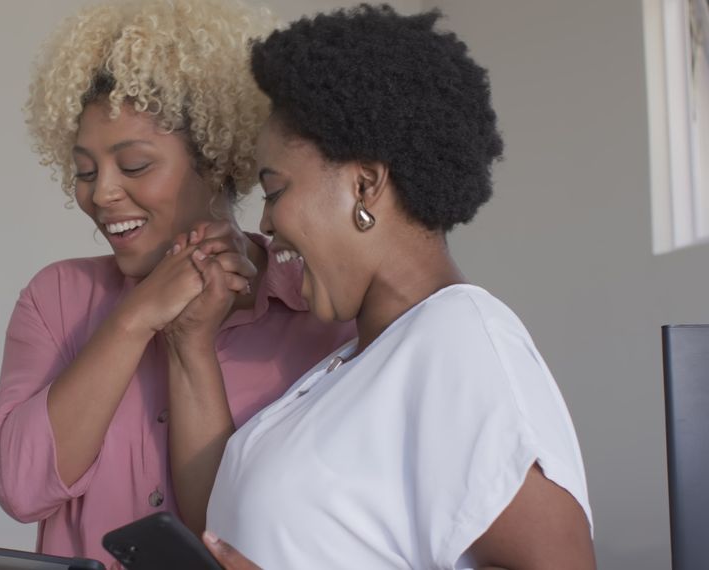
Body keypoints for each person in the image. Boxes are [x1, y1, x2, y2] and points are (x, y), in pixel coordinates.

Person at [199, 5, 596, 569]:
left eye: (275, 189)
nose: (264, 224)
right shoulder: (356, 362)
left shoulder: (460, 340)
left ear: (365, 185)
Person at [0, 0, 356, 566]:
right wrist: (134, 318)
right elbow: (21, 488)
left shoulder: (319, 313)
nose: (101, 193)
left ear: (216, 160)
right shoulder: (55, 300)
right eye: (84, 171)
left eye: (133, 166)